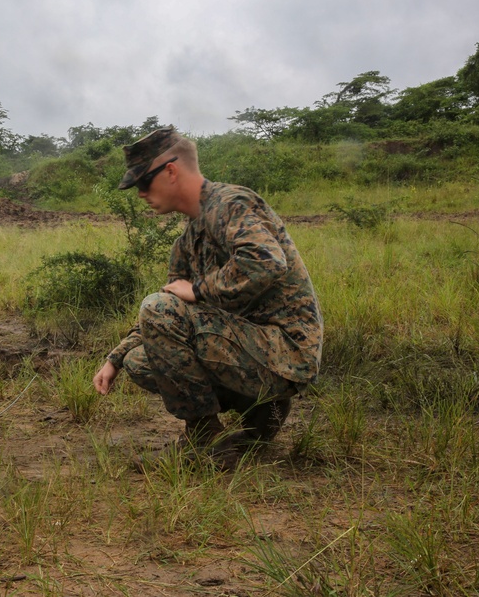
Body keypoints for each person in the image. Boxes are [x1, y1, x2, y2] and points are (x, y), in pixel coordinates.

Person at [92, 127, 323, 469]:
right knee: (139, 360)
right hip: (249, 348)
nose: (140, 194)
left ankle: (205, 442)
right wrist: (115, 357)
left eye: (144, 182)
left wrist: (199, 290)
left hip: (286, 350)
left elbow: (267, 262)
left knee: (157, 307)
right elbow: (169, 318)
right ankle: (261, 412)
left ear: (171, 170)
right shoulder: (187, 241)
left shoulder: (230, 203)